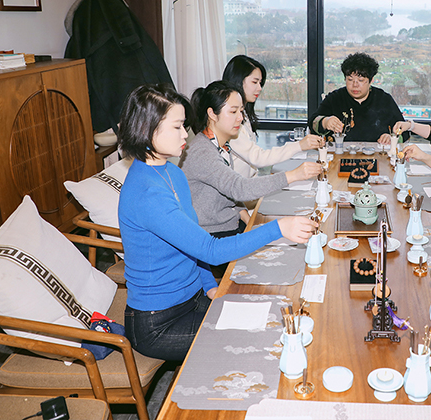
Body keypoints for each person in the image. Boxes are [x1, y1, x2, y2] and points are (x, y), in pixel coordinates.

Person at [118, 84, 316, 362]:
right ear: (146, 130)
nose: (185, 134)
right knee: (256, 340)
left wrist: (209, 284)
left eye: (184, 125)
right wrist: (279, 228)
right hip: (157, 322)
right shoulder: (146, 194)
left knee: (273, 314)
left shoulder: (172, 173)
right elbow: (210, 249)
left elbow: (193, 241)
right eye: (176, 127)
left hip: (193, 297)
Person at [180, 80, 323, 236]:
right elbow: (239, 188)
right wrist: (294, 175)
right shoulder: (202, 151)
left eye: (241, 111)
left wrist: (247, 219)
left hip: (230, 224)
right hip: (212, 235)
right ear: (212, 114)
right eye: (233, 112)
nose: (240, 118)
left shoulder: (222, 145)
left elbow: (228, 191)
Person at [223, 55, 323, 178]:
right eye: (254, 82)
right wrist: (299, 145)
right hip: (241, 188)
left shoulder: (244, 114)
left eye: (260, 83)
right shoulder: (228, 120)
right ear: (238, 80)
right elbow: (258, 157)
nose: (259, 88)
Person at [308, 52, 408, 144]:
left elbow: (404, 132)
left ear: (371, 80)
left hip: (377, 155)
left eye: (361, 80)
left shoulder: (384, 100)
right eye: (350, 79)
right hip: (340, 154)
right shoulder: (335, 98)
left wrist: (392, 138)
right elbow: (312, 123)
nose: (355, 85)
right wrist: (325, 122)